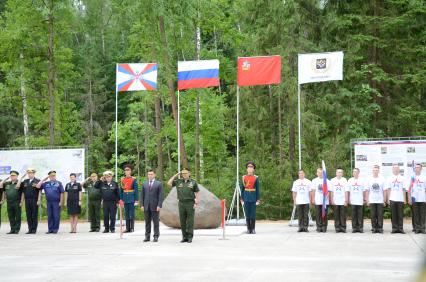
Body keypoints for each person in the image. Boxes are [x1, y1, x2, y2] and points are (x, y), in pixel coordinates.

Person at [167, 168, 200, 243]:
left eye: (186, 173)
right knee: (182, 221)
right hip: (181, 203)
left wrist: (196, 203)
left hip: (190, 203)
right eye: (183, 173)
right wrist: (176, 174)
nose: (184, 175)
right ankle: (184, 237)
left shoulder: (193, 182)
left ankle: (190, 237)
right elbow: (169, 183)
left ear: (189, 173)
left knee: (190, 221)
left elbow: (197, 192)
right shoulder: (178, 181)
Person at [141, 169, 163, 242]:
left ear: (154, 175)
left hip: (155, 206)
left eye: (151, 174)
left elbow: (160, 196)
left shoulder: (158, 184)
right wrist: (142, 205)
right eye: (149, 174)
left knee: (156, 222)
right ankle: (147, 237)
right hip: (146, 206)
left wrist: (159, 205)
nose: (150, 175)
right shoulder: (144, 184)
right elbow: (142, 195)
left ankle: (156, 236)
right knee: (147, 222)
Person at [386, 163, 407, 234]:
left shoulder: (402, 178)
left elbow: (404, 189)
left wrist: (404, 199)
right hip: (392, 198)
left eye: (397, 168)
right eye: (394, 168)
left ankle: (400, 228)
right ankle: (394, 228)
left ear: (399, 169)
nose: (396, 169)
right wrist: (388, 199)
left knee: (400, 215)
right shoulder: (390, 178)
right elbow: (388, 189)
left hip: (400, 199)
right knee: (393, 215)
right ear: (392, 169)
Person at [240, 162, 260, 234]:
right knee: (247, 213)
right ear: (246, 169)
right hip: (246, 197)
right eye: (248, 167)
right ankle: (248, 229)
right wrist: (242, 198)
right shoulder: (243, 177)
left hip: (253, 197)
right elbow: (242, 189)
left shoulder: (256, 178)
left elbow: (258, 189)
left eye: (251, 167)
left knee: (253, 213)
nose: (250, 168)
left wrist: (258, 199)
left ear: (253, 169)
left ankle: (253, 229)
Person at [365, 165, 386, 233]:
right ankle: (374, 228)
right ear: (372, 171)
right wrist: (367, 200)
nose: (375, 171)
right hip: (372, 200)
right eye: (374, 170)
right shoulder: (369, 178)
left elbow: (384, 190)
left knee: (380, 215)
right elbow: (367, 190)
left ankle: (380, 228)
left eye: (377, 170)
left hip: (380, 200)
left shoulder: (382, 178)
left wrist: (384, 200)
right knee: (373, 215)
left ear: (378, 171)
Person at [20, 168, 41, 234]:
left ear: (34, 173)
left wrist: (39, 200)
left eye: (31, 173)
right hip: (27, 200)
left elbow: (40, 191)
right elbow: (23, 192)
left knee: (34, 215)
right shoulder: (25, 181)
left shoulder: (37, 180)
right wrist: (22, 201)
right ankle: (30, 229)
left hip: (34, 200)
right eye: (29, 173)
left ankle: (34, 229)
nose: (30, 174)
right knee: (28, 215)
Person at [120, 165, 139, 233]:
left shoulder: (134, 179)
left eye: (128, 170)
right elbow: (121, 191)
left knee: (132, 214)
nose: (127, 171)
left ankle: (132, 228)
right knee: (126, 214)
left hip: (131, 199)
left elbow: (136, 190)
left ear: (130, 171)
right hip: (125, 199)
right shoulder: (122, 179)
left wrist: (136, 200)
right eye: (125, 170)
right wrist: (121, 199)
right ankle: (127, 228)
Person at [346, 168, 366, 233]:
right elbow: (348, 191)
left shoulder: (362, 180)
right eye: (353, 172)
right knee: (354, 215)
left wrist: (364, 199)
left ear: (358, 173)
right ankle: (354, 228)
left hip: (360, 200)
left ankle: (360, 228)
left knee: (360, 215)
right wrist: (347, 199)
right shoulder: (350, 180)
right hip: (353, 200)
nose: (355, 173)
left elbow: (364, 191)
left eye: (356, 172)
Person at [311, 167, 330, 232]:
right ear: (316, 173)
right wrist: (313, 199)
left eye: (321, 173)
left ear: (323, 173)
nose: (320, 174)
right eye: (318, 172)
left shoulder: (327, 180)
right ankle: (319, 227)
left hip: (325, 201)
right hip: (317, 201)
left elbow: (329, 191)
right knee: (318, 215)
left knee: (324, 215)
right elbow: (313, 190)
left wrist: (327, 196)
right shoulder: (314, 180)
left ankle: (324, 227)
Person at [330, 167, 348, 233]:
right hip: (335, 201)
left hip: (343, 200)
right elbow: (331, 191)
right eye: (338, 172)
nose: (339, 173)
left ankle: (343, 228)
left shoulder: (345, 180)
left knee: (343, 215)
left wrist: (346, 200)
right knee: (336, 215)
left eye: (341, 172)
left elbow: (346, 191)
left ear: (342, 173)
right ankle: (337, 228)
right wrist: (331, 200)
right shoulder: (332, 180)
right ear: (336, 173)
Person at [409, 163, 426, 234]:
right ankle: (416, 228)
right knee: (415, 214)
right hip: (414, 198)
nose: (417, 169)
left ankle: (422, 228)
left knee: (422, 214)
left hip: (422, 198)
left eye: (419, 167)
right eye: (416, 168)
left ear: (421, 169)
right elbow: (409, 188)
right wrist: (409, 198)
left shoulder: (424, 177)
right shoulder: (412, 177)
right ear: (414, 169)